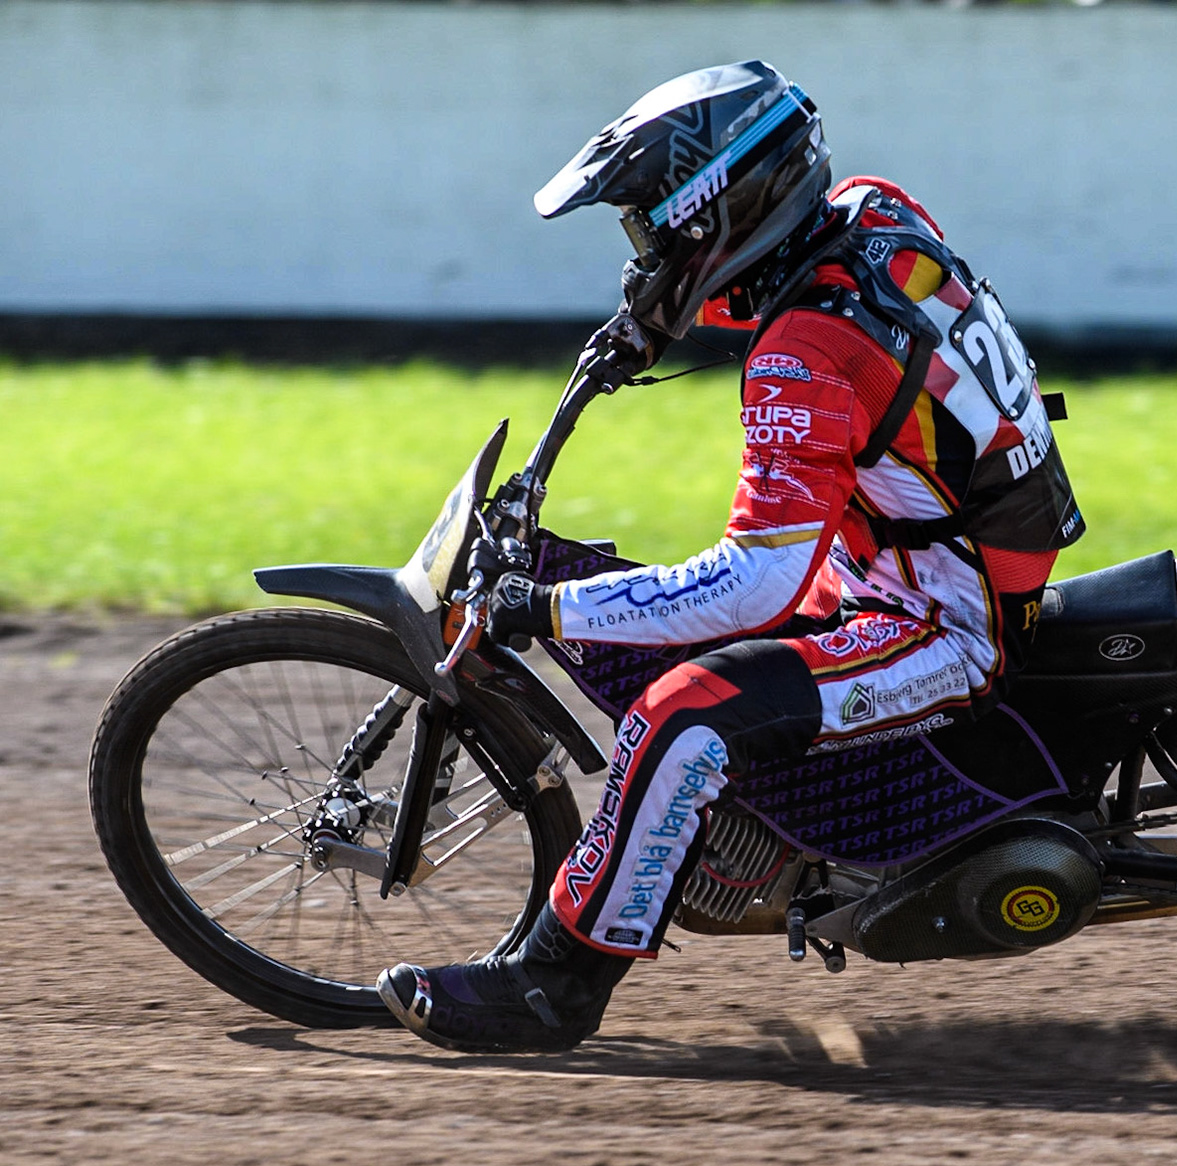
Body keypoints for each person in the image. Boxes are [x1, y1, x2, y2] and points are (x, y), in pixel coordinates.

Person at [378, 61, 1084, 1052]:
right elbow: (818, 296)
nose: (643, 256)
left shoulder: (802, 356)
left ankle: (552, 988)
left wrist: (546, 608)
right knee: (658, 624)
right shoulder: (874, 211)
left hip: (936, 621)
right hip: (916, 563)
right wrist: (658, 323)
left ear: (714, 211)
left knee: (682, 717)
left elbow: (758, 579)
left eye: (651, 232)